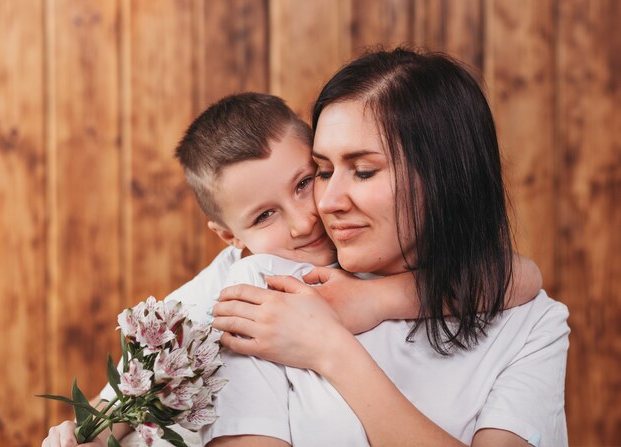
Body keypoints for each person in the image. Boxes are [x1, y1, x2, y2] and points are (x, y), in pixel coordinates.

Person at [42, 90, 542, 447]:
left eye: (307, 182)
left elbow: (520, 277)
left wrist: (376, 299)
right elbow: (139, 375)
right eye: (265, 216)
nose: (306, 220)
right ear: (230, 237)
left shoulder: (370, 244)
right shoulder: (243, 285)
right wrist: (92, 429)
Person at [209, 49, 570, 446]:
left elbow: (516, 277)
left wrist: (332, 350)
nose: (326, 203)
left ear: (443, 177)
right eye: (323, 172)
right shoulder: (267, 287)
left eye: (363, 172)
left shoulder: (533, 324)